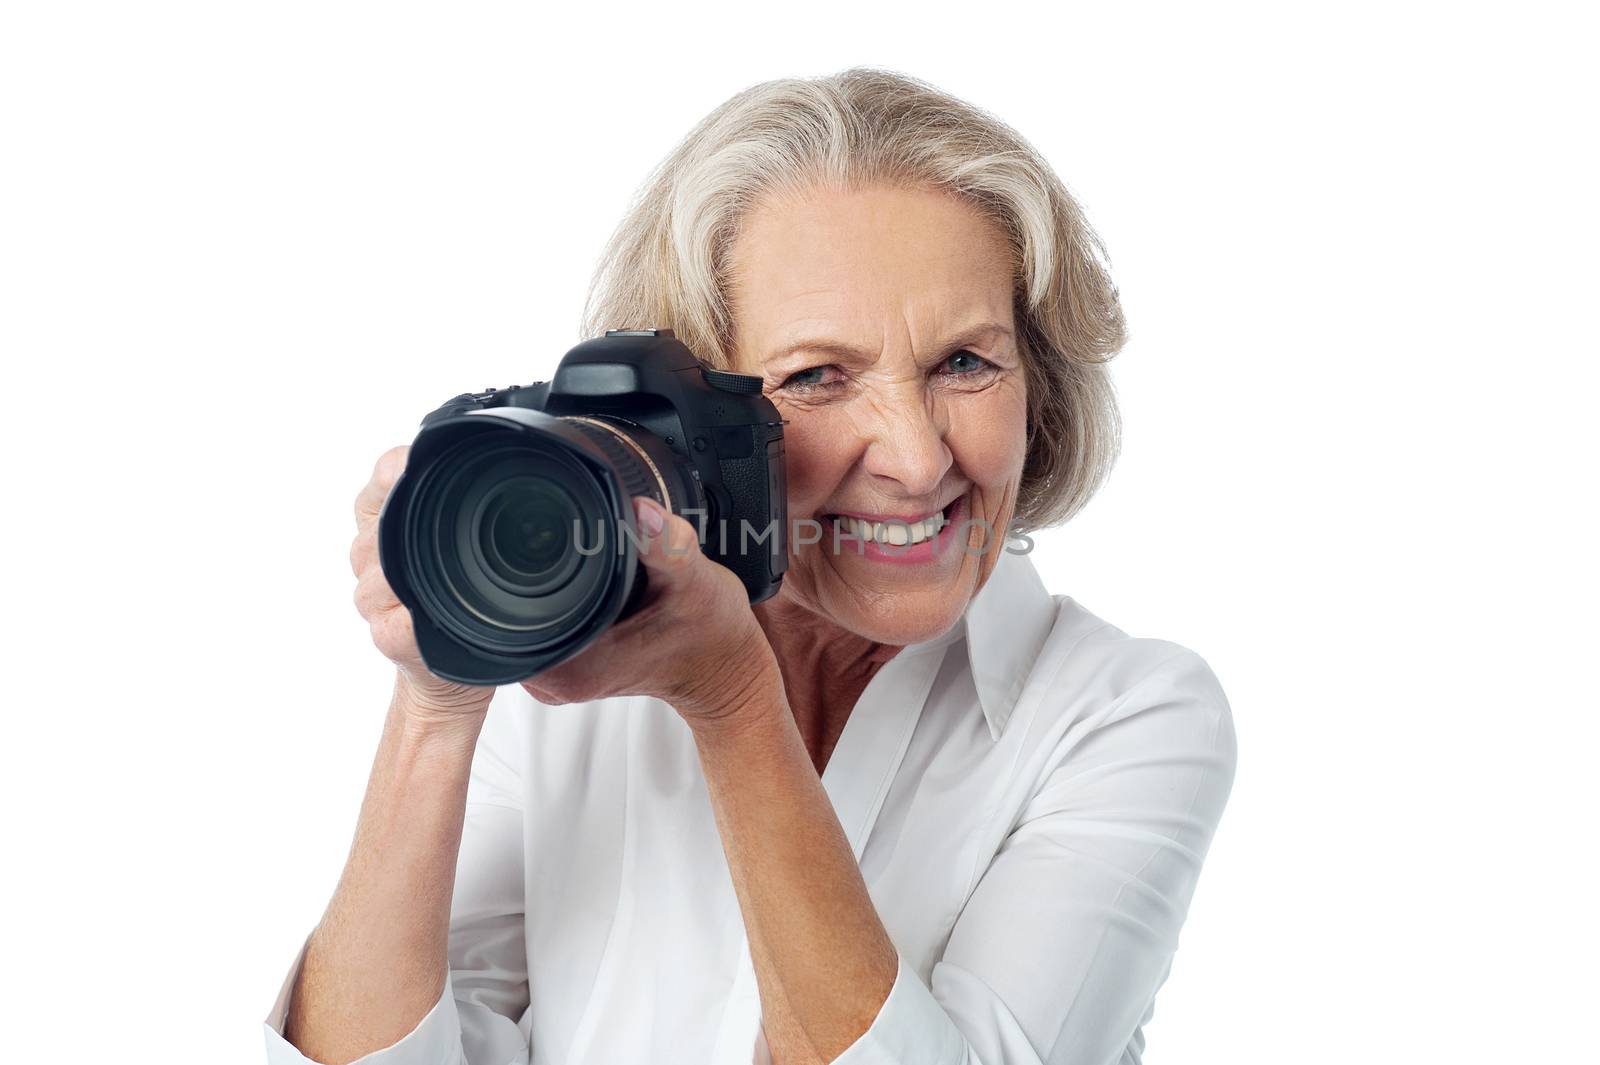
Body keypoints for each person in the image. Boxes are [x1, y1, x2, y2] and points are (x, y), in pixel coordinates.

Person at [264, 66, 1237, 1065]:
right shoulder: (559, 685)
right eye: (818, 376)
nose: (915, 459)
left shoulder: (1128, 714)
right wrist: (439, 690)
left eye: (965, 363)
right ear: (691, 417)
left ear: (1041, 384)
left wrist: (733, 701)